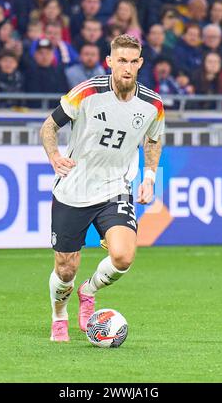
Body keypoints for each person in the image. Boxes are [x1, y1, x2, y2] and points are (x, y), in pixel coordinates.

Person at [39, 34, 165, 342]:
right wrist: (54, 156)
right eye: (121, 60)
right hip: (74, 189)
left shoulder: (152, 104)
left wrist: (149, 179)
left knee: (123, 256)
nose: (127, 67)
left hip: (115, 188)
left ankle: (89, 291)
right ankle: (59, 315)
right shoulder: (87, 92)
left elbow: (153, 139)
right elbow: (49, 126)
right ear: (109, 62)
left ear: (140, 64)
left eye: (133, 61)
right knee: (66, 268)